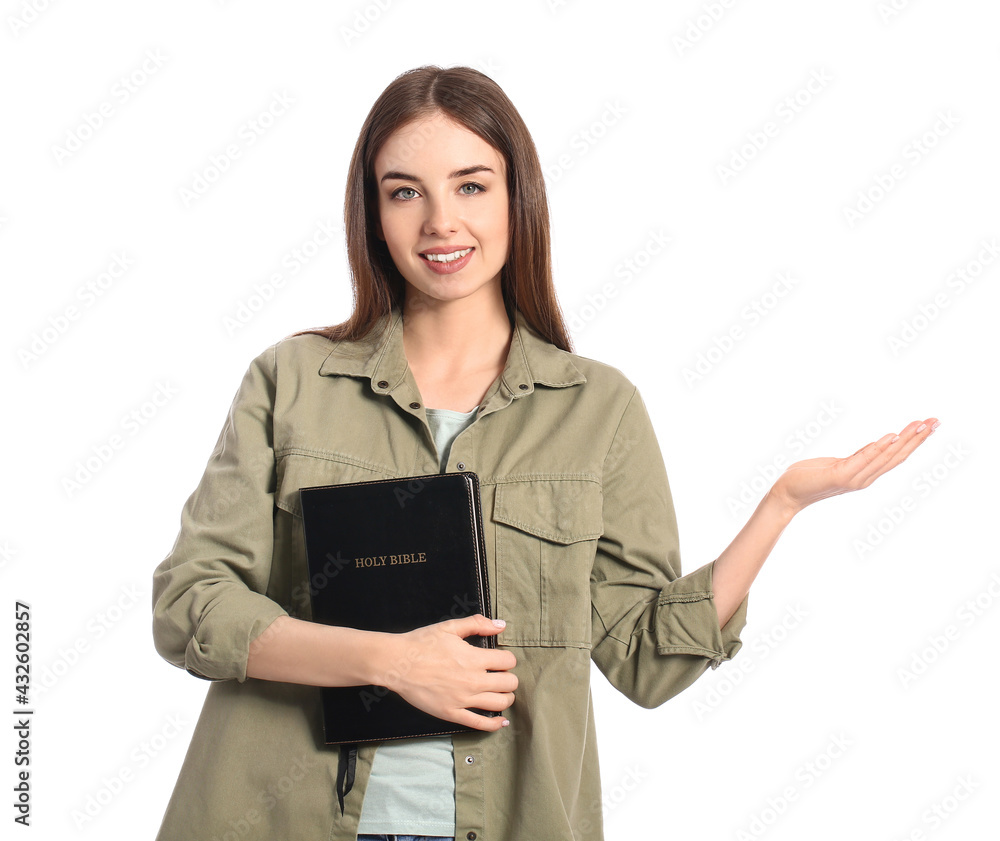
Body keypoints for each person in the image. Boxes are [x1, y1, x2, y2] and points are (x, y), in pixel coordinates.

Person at [150, 65, 938, 841]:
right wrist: (389, 661)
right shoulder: (291, 379)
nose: (439, 223)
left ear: (517, 198)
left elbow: (644, 657)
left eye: (470, 185)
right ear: (372, 212)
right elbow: (192, 603)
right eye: (404, 191)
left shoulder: (599, 408)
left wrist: (782, 506)